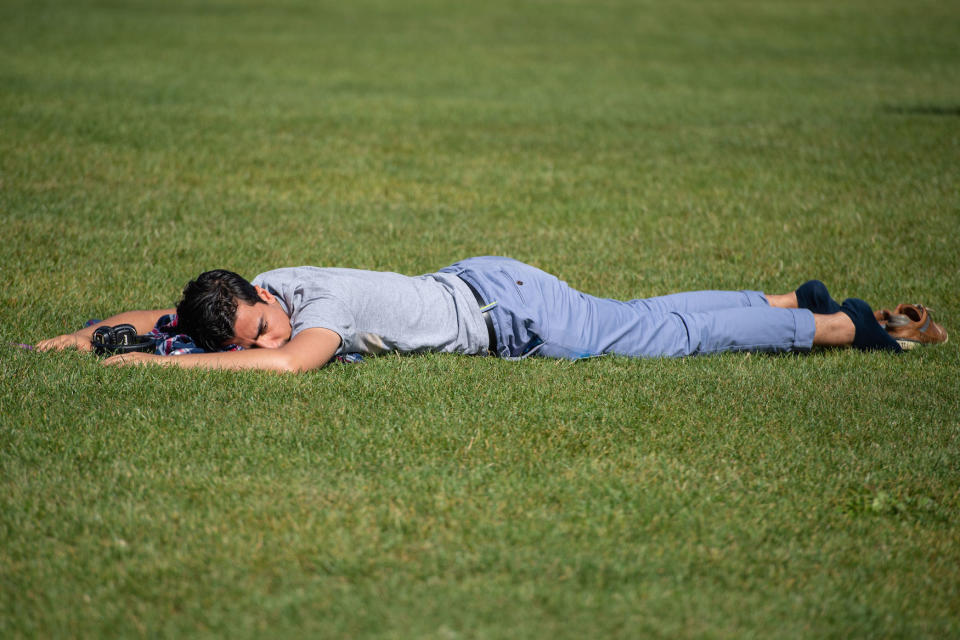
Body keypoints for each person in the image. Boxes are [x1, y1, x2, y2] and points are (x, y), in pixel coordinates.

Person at [35, 256, 946, 372]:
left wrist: (168, 366)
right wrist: (81, 335)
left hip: (516, 318)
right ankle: (790, 299)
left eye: (261, 323)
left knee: (664, 336)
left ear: (267, 301)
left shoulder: (317, 311)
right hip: (491, 283)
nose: (267, 335)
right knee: (641, 312)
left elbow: (286, 367)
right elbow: (165, 311)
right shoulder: (258, 287)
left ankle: (843, 328)